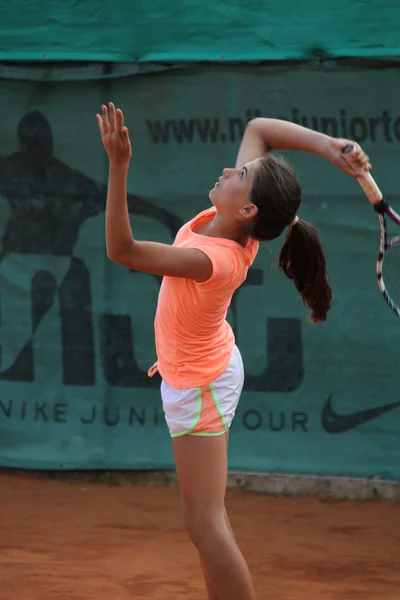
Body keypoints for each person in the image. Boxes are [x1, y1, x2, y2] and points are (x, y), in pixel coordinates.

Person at [97, 103, 371, 600]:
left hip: (200, 384)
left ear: (248, 209)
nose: (228, 169)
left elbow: (122, 250)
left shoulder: (213, 258)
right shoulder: (236, 223)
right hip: (207, 368)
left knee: (204, 524)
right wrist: (329, 147)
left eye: (239, 173)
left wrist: (118, 167)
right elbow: (258, 129)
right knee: (206, 519)